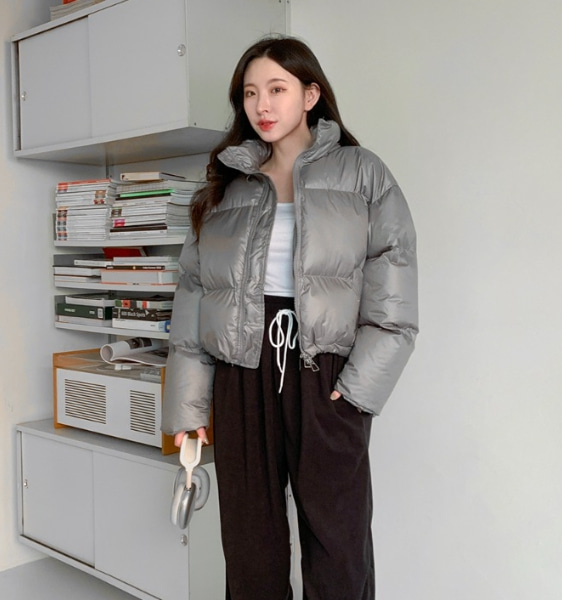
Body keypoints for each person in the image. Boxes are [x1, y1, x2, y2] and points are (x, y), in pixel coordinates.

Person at [161, 35, 418, 600]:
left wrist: (356, 393)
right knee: (249, 543)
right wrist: (189, 406)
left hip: (325, 372)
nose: (263, 105)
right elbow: (194, 297)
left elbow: (394, 301)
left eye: (277, 89)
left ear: (311, 94)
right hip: (239, 372)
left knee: (338, 542)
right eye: (251, 93)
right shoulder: (225, 186)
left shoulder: (363, 174)